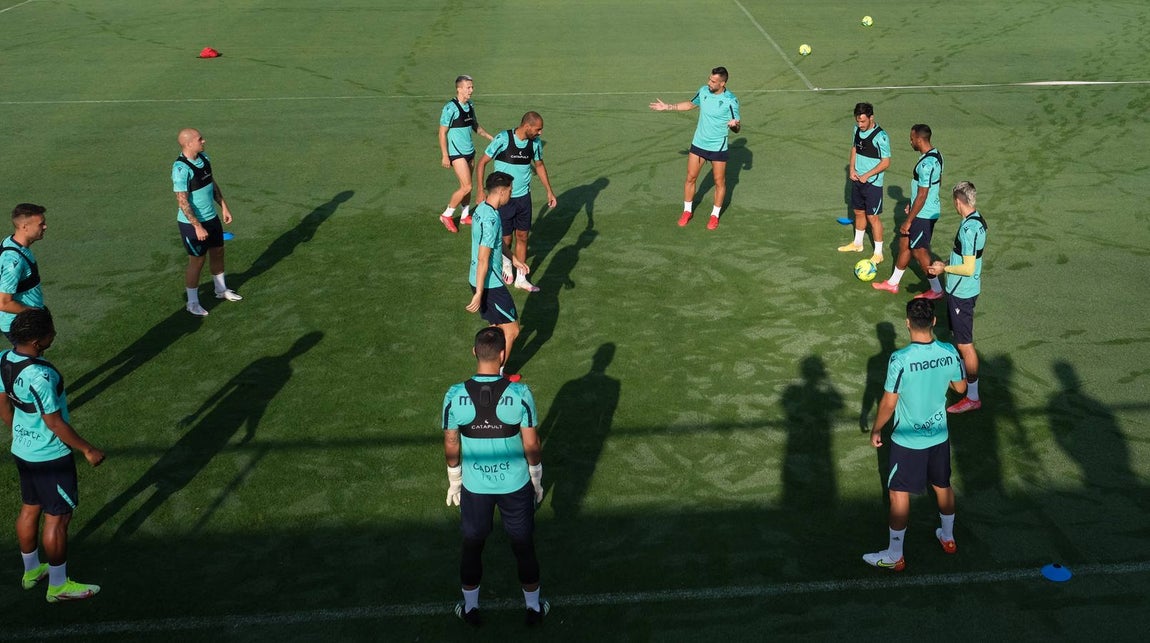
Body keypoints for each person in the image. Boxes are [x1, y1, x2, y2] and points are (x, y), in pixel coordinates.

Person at [441, 326, 547, 627]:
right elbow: (531, 444)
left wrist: (455, 478)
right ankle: (533, 609)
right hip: (515, 485)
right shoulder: (520, 393)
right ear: (502, 355)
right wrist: (536, 476)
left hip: (475, 487)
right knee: (523, 544)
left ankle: (471, 609)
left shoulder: (454, 395)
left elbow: (451, 442)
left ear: (475, 352)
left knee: (473, 544)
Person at [1, 308, 105, 602]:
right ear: (36, 342)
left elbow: (2, 406)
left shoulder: (4, 359)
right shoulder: (42, 376)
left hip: (22, 450)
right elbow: (54, 422)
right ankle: (58, 586)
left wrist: (22, 433)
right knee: (57, 518)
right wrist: (87, 448)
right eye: (50, 332)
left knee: (29, 507)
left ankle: (32, 571)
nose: (54, 335)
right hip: (49, 456)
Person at [865, 298, 967, 571]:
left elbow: (888, 403)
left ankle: (895, 555)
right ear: (933, 322)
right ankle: (948, 537)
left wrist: (876, 428)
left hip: (908, 440)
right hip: (939, 435)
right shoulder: (948, 351)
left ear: (908, 323)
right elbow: (960, 388)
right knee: (942, 486)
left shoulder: (900, 360)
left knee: (898, 494)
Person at [650, 66, 741, 230]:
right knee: (690, 178)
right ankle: (687, 211)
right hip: (699, 143)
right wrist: (668, 107)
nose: (709, 83)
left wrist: (734, 125)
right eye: (709, 79)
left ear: (722, 83)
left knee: (719, 182)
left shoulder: (730, 100)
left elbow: (736, 127)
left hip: (718, 147)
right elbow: (691, 105)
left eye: (713, 81)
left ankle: (714, 215)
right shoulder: (704, 91)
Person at [475, 112, 557, 292]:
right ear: (527, 127)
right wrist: (481, 190)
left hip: (523, 199)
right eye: (538, 129)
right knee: (505, 238)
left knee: (523, 236)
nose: (540, 133)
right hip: (504, 201)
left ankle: (521, 277)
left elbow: (540, 166)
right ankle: (505, 265)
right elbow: (482, 163)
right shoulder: (503, 139)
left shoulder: (534, 144)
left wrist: (549, 191)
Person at [928, 181, 988, 413]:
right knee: (960, 341)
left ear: (958, 201)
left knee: (966, 345)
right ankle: (963, 381)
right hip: (960, 290)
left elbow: (968, 267)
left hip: (963, 292)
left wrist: (944, 268)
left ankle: (972, 396)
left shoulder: (970, 229)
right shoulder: (976, 220)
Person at [173, 127, 242, 317]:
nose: (203, 141)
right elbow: (182, 201)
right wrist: (197, 226)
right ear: (188, 143)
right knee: (197, 261)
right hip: (192, 224)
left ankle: (221, 290)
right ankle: (192, 303)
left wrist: (224, 206)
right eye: (199, 139)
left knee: (218, 252)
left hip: (211, 218)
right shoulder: (181, 169)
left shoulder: (204, 159)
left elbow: (211, 183)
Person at [467, 172, 529, 377]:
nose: (511, 195)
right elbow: (484, 258)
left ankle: (490, 373)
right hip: (490, 284)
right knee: (512, 331)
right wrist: (479, 293)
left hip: (479, 280)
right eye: (510, 191)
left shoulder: (482, 209)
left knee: (495, 330)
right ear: (501, 191)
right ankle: (498, 375)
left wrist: (514, 259)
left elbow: (496, 244)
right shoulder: (491, 219)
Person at [873, 125, 944, 296]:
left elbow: (922, 195)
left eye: (911, 138)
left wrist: (909, 220)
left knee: (919, 251)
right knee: (904, 244)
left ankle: (937, 290)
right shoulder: (937, 156)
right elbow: (938, 182)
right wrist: (913, 204)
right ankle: (893, 283)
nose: (910, 141)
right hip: (924, 209)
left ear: (919, 140)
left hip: (923, 214)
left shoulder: (926, 165)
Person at [437, 75, 494, 233]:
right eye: (468, 87)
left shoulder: (470, 105)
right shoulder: (450, 108)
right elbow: (442, 133)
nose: (471, 90)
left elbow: (476, 126)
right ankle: (446, 215)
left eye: (472, 87)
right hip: (457, 153)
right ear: (459, 89)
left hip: (470, 152)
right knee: (467, 186)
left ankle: (464, 216)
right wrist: (445, 155)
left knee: (468, 187)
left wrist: (492, 139)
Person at [838, 103, 890, 263]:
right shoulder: (857, 130)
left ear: (871, 118)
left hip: (872, 183)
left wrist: (867, 175)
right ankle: (858, 244)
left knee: (872, 217)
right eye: (857, 121)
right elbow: (855, 149)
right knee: (859, 212)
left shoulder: (881, 137)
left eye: (863, 122)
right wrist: (852, 169)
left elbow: (886, 162)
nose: (860, 125)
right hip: (857, 180)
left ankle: (878, 253)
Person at [0, 204, 47, 344]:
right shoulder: (15, 261)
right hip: (21, 326)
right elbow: (4, 303)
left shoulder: (10, 241)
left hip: (26, 321)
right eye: (41, 224)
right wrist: (34, 313)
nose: (45, 227)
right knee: (31, 364)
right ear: (24, 227)